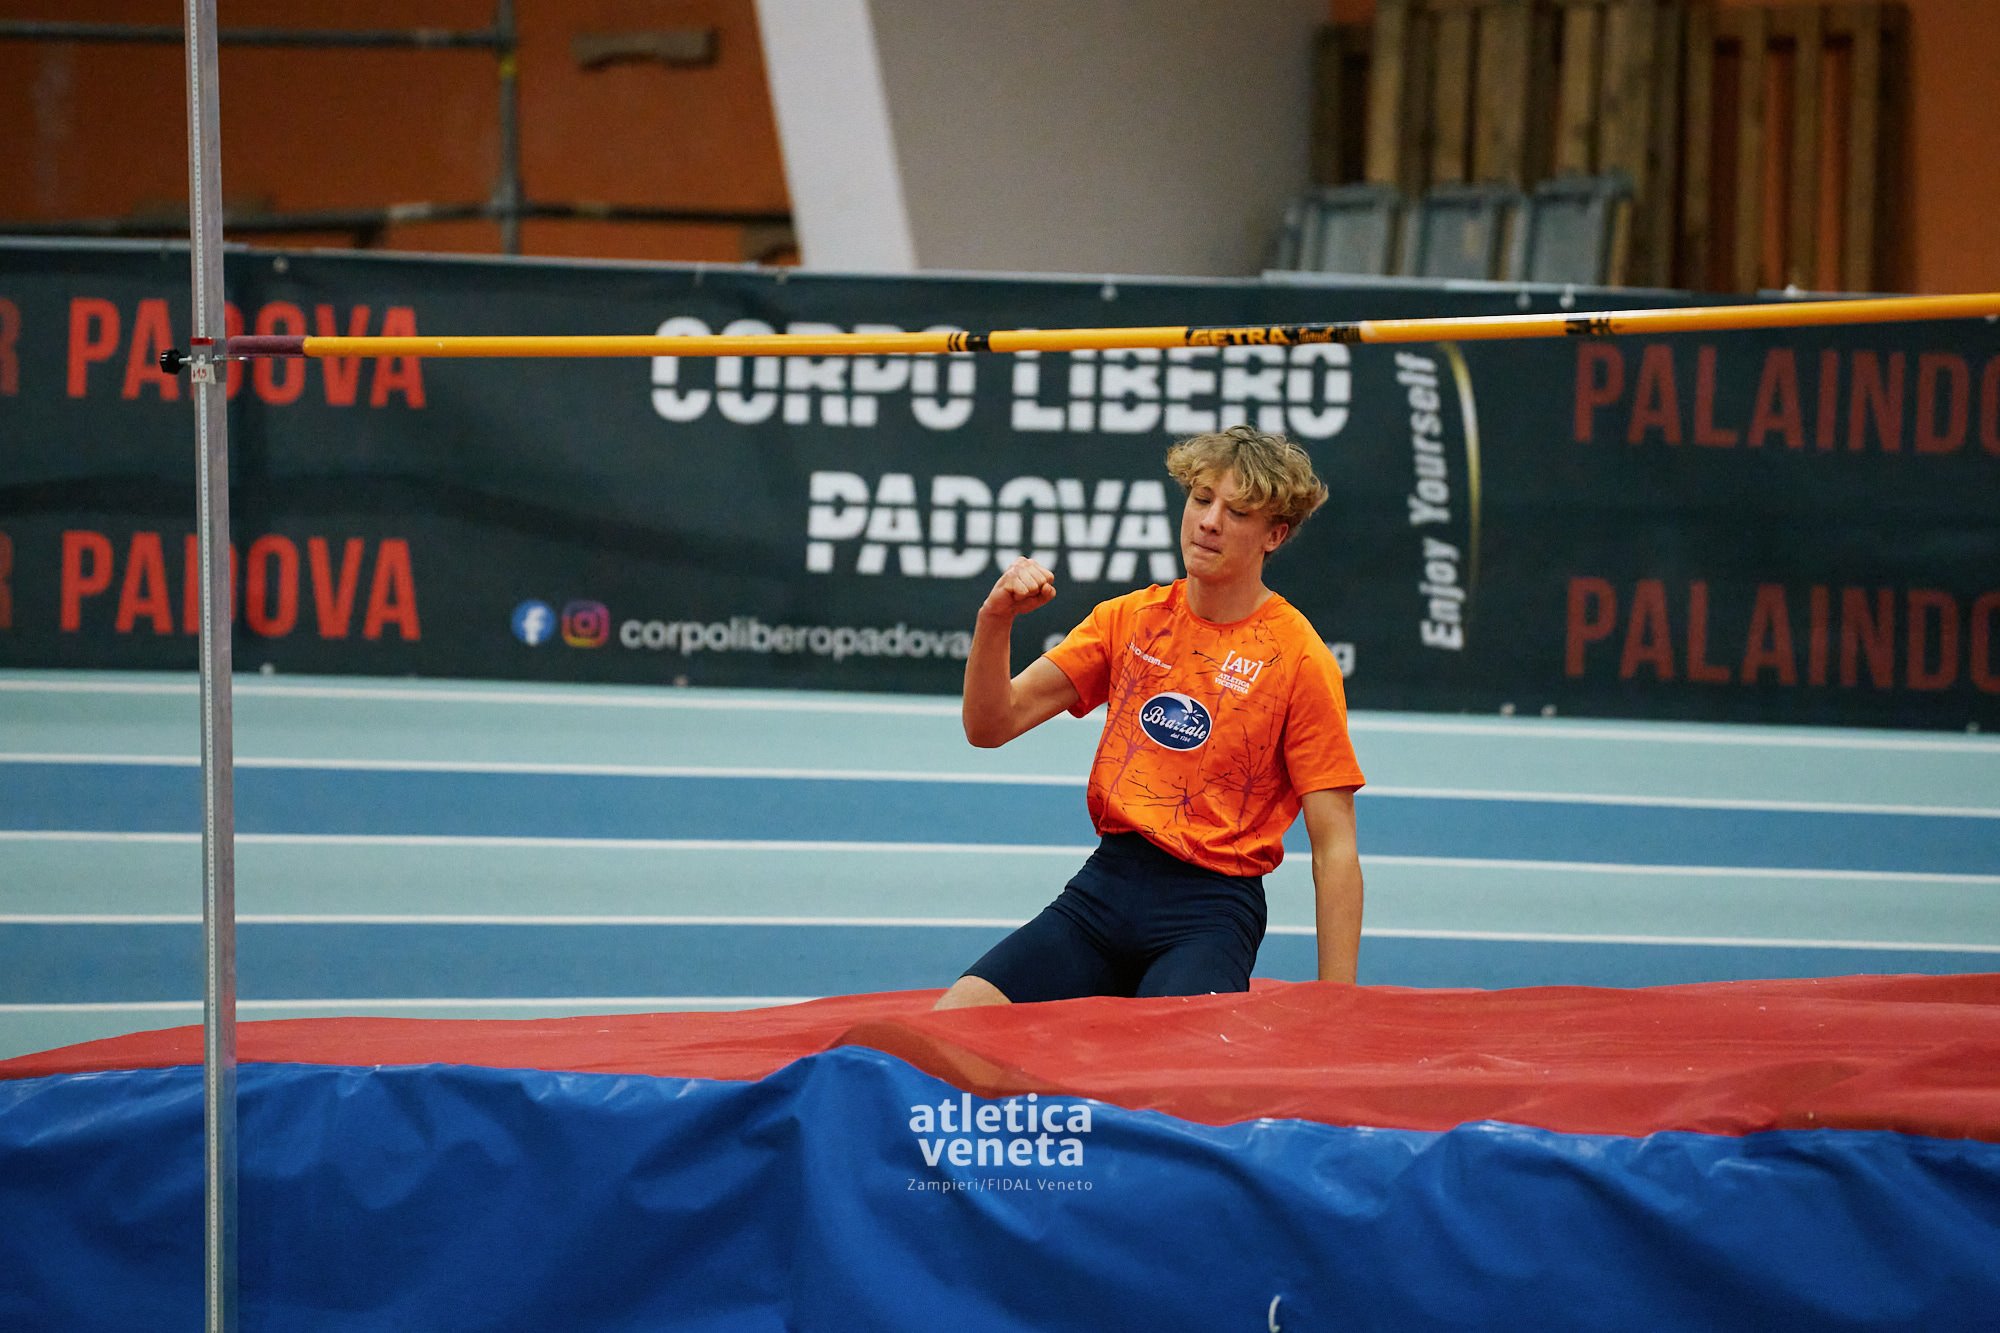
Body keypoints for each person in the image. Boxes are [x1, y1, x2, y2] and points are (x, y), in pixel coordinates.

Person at [934, 424, 1365, 1009]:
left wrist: (1338, 1004)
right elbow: (989, 727)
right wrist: (995, 620)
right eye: (1201, 499)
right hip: (1103, 892)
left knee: (1163, 1061)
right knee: (957, 1019)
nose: (1209, 522)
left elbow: (1334, 846)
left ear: (1275, 535)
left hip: (1210, 911)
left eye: (1237, 512)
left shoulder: (1299, 658)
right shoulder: (1131, 619)